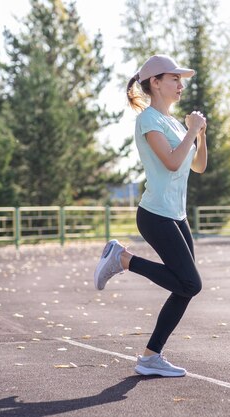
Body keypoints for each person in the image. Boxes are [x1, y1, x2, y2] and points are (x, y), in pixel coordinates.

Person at [93, 54, 207, 378]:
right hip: (155, 214)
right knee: (191, 283)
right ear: (155, 83)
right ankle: (123, 259)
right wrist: (192, 131)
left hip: (178, 216)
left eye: (180, 80)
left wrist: (200, 134)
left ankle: (151, 356)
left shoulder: (174, 123)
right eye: (174, 79)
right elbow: (171, 161)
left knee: (185, 287)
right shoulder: (148, 120)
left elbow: (198, 166)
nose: (180, 85)